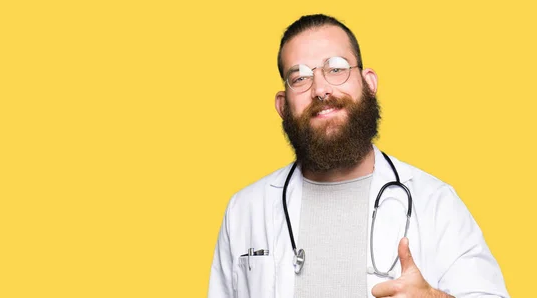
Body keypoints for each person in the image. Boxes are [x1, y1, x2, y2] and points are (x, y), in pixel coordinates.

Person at [208, 14, 509, 298]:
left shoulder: (436, 202)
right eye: (299, 77)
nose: (320, 89)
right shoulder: (244, 210)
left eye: (336, 68)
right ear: (283, 106)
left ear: (369, 83)